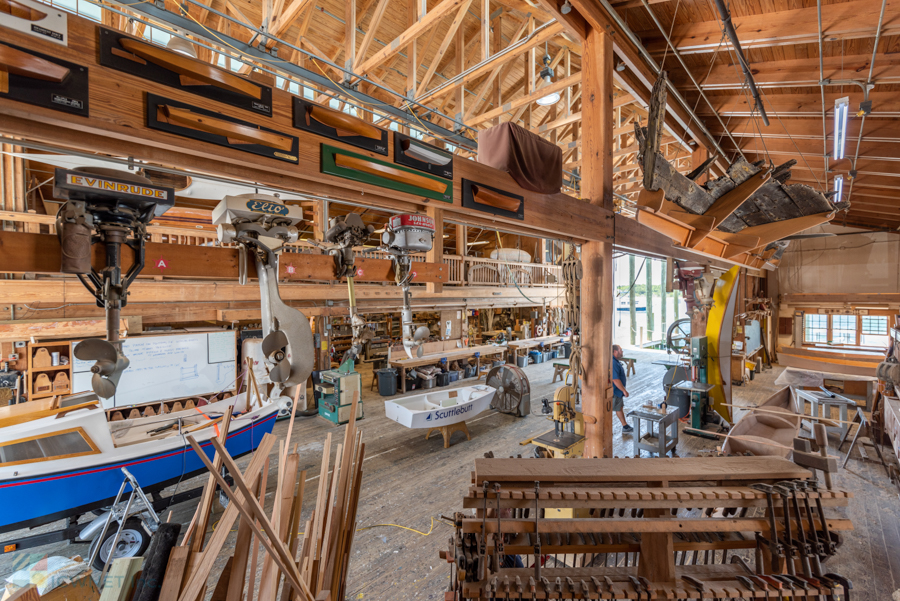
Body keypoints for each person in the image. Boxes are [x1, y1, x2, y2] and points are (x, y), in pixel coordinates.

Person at [612, 344, 632, 433]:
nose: (622, 352)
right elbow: (615, 379)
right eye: (620, 350)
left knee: (619, 407)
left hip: (616, 390)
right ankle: (624, 426)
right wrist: (624, 390)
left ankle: (625, 426)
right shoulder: (613, 363)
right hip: (615, 390)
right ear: (615, 352)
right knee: (614, 408)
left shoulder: (615, 361)